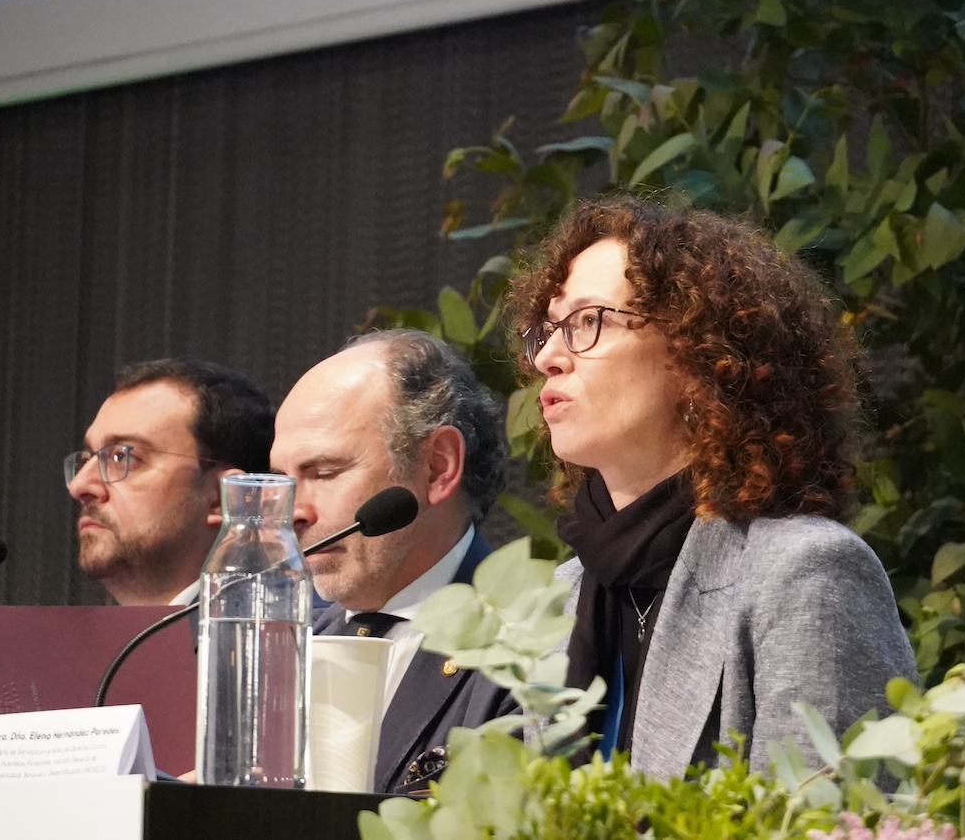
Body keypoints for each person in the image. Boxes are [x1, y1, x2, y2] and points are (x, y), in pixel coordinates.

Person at [510, 197, 918, 778]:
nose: (548, 357)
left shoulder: (803, 573)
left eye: (587, 322)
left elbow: (833, 816)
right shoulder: (560, 597)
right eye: (548, 330)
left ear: (697, 354)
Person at [271, 329, 515, 793]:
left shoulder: (532, 649)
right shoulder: (285, 650)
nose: (292, 511)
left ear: (438, 467)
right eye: (283, 479)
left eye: (324, 472)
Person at [65, 357, 274, 606]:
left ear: (224, 498)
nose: (79, 486)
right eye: (88, 458)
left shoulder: (280, 628)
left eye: (122, 457)